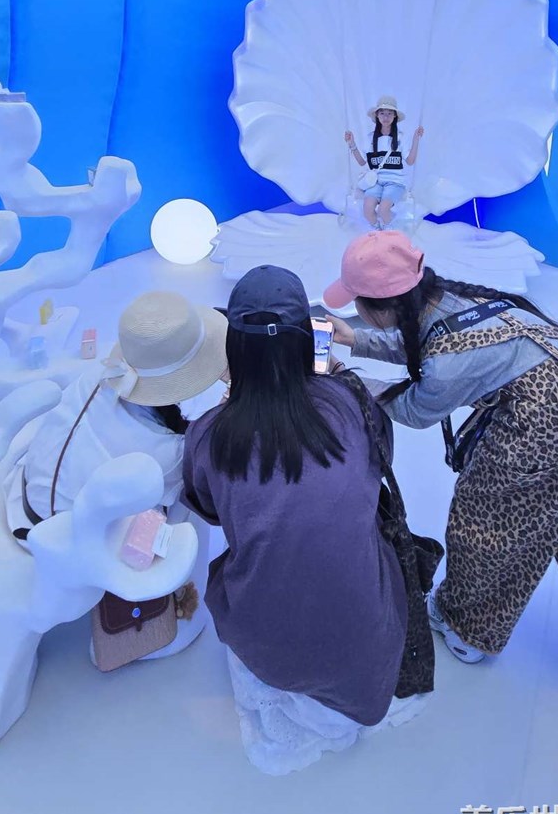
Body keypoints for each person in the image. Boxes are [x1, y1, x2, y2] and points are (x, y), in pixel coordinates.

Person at [323, 231, 558, 710]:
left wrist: (345, 378)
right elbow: (424, 343)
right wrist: (355, 338)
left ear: (383, 305)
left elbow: (416, 407)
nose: (354, 310)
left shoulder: (449, 361)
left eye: (357, 303)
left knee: (486, 527)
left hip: (544, 420)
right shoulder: (453, 299)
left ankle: (467, 629)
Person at [181, 264, 430, 775]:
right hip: (368, 643)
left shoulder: (209, 434)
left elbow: (208, 509)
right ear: (306, 341)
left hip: (267, 646)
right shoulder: (351, 402)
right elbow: (381, 458)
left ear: (233, 350)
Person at [4, 291, 228, 540]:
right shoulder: (167, 454)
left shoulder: (104, 373)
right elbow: (211, 499)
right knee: (189, 506)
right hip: (70, 539)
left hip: (27, 493)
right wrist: (224, 414)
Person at [345, 95, 423, 229]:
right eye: (382, 113)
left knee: (383, 210)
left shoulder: (400, 138)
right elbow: (362, 162)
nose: (385, 117)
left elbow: (410, 161)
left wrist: (416, 140)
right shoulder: (370, 138)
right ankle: (380, 231)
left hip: (395, 182)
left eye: (389, 113)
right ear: (377, 116)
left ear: (395, 116)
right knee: (367, 210)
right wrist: (352, 144)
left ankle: (391, 232)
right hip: (375, 182)